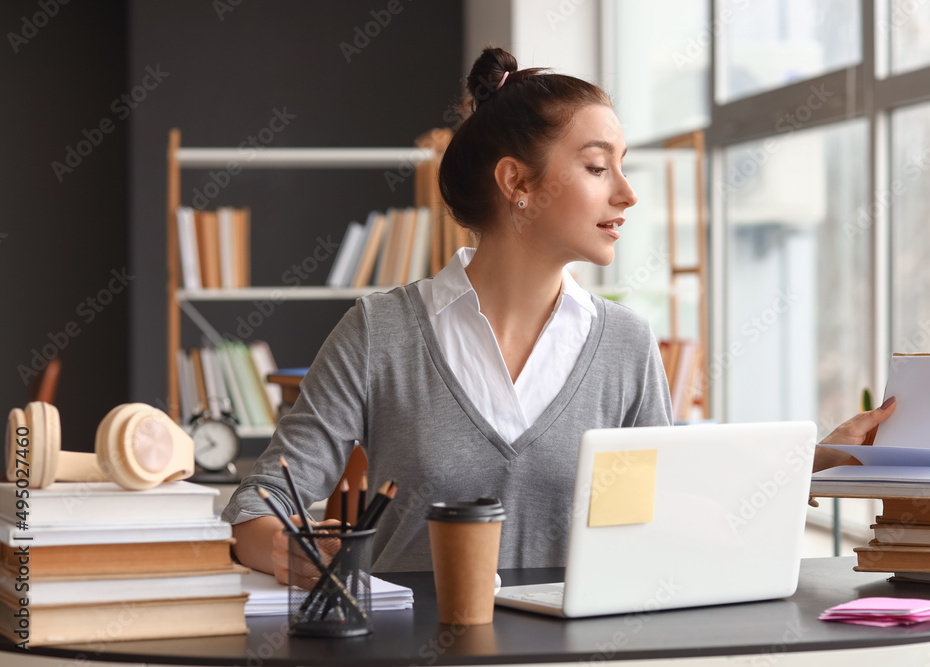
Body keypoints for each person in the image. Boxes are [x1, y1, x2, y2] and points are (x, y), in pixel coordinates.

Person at [222, 47, 894, 581]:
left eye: (622, 167)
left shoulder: (626, 344)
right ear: (517, 183)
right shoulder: (380, 331)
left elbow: (671, 507)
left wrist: (808, 462)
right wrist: (300, 558)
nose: (627, 194)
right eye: (599, 167)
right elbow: (260, 507)